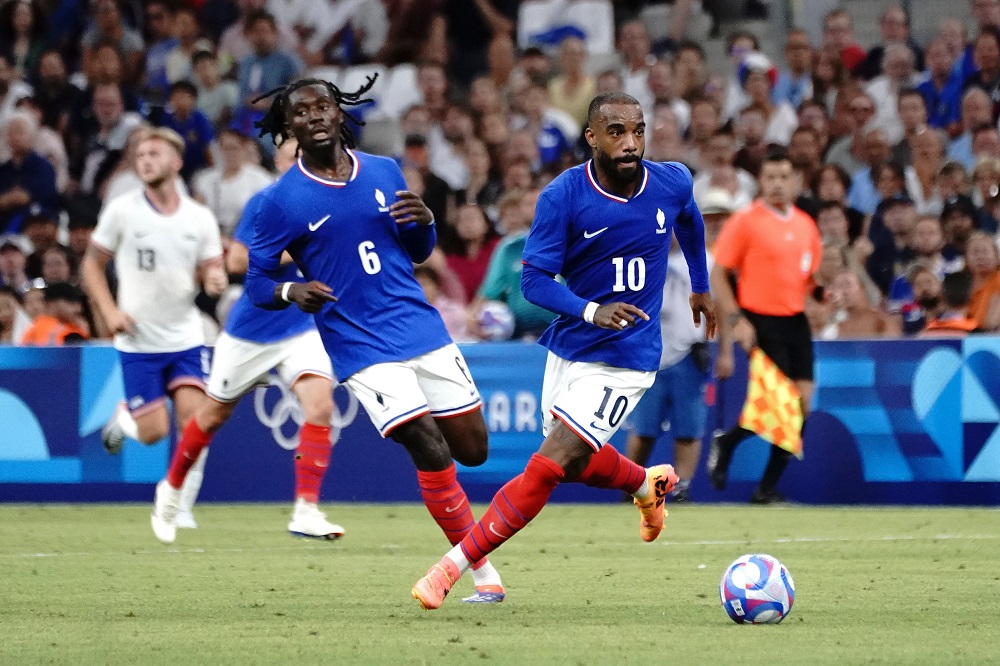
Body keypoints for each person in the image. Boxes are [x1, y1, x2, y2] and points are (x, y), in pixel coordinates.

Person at [411, 91, 715, 610]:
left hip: (628, 357)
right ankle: (646, 484)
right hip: (573, 346)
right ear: (592, 137)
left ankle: (450, 569)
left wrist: (700, 284)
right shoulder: (564, 195)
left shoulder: (672, 180)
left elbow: (689, 217)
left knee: (548, 465)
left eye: (638, 131)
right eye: (616, 132)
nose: (631, 142)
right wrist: (593, 310)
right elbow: (533, 281)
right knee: (572, 464)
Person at [241, 76, 505, 604]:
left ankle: (469, 559)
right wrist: (292, 290)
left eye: (323, 106)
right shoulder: (280, 201)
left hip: (419, 325)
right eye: (301, 112)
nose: (314, 116)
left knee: (473, 450)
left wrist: (427, 223)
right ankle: (481, 574)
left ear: (340, 113)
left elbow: (418, 249)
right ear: (288, 127)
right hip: (358, 343)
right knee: (428, 445)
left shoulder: (385, 171)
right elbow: (255, 283)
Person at [150, 137, 341, 545]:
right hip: (251, 330)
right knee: (210, 417)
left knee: (321, 406)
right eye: (294, 156)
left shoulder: (331, 199)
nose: (303, 162)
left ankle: (306, 509)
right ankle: (171, 489)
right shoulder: (264, 203)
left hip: (300, 327)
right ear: (279, 163)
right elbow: (237, 261)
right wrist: (297, 249)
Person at [81, 128, 228, 530]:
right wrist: (109, 311)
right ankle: (124, 420)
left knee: (196, 422)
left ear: (176, 162)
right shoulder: (123, 210)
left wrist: (215, 280)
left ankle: (180, 505)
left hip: (185, 337)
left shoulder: (198, 217)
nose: (145, 161)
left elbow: (211, 270)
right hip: (138, 340)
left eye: (154, 154)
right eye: (140, 155)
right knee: (153, 432)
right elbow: (91, 264)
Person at [707, 147, 823, 505]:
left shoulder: (805, 225)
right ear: (760, 180)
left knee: (801, 406)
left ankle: (731, 445)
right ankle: (765, 488)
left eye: (784, 177)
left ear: (796, 181)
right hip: (760, 319)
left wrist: (822, 294)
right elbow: (718, 275)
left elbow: (809, 278)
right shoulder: (745, 221)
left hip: (795, 320)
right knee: (783, 402)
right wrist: (736, 319)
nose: (777, 184)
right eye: (771, 177)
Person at [623, 235, 712, 503]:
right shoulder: (637, 259)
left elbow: (716, 303)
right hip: (648, 354)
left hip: (688, 351)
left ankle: (682, 486)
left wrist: (721, 347)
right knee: (643, 428)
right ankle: (630, 484)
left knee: (689, 426)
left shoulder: (703, 260)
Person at [19, 281, 89, 345]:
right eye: (71, 303)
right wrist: (84, 332)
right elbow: (82, 353)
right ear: (51, 303)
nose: (78, 309)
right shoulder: (68, 333)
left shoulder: (32, 329)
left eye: (78, 303)